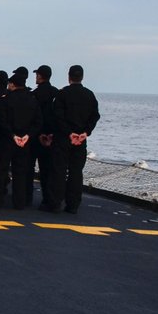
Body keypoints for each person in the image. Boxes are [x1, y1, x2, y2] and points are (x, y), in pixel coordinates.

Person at [51, 64, 100, 214]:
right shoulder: (89, 95)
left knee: (59, 170)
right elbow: (95, 116)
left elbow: (57, 115)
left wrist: (69, 133)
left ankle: (55, 203)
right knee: (76, 172)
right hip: (81, 140)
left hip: (64, 139)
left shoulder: (63, 94)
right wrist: (85, 132)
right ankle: (73, 205)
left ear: (69, 77)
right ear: (82, 77)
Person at [0, 71, 41, 210]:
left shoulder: (6, 99)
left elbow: (1, 120)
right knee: (21, 173)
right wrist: (27, 135)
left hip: (7, 139)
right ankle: (19, 202)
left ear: (12, 84)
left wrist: (12, 135)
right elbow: (38, 121)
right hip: (24, 141)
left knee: (1, 170)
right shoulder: (32, 100)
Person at [32, 64, 58, 211]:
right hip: (52, 137)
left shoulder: (35, 94)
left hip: (36, 135)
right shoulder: (56, 93)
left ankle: (25, 197)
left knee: (29, 168)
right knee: (49, 170)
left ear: (40, 76)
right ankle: (49, 199)